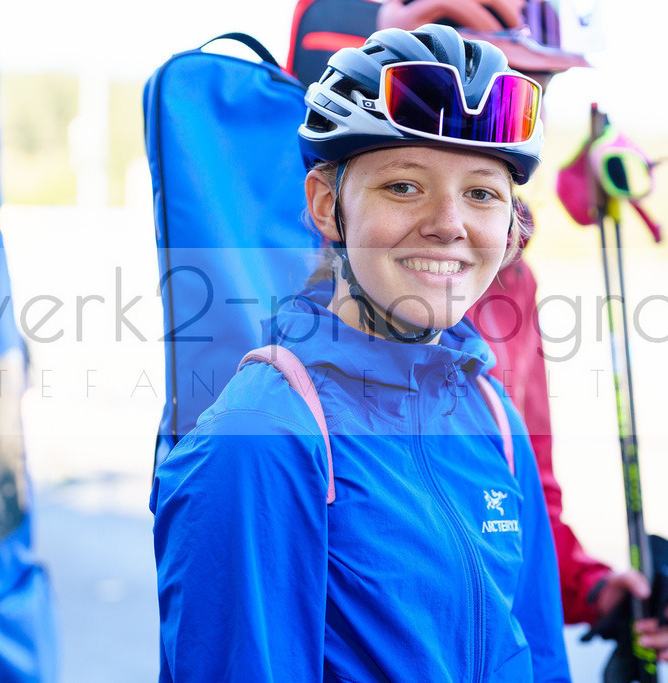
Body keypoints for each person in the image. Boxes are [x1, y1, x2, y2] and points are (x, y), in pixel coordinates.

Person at [152, 24, 571, 682]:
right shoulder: (264, 435)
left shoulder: (493, 416)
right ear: (327, 205)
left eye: (482, 192)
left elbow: (540, 657)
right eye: (404, 185)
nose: (450, 223)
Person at [287, 0, 668, 664]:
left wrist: (592, 588)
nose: (488, 108)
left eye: (532, 89)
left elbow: (515, 493)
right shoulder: (345, 272)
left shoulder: (509, 282)